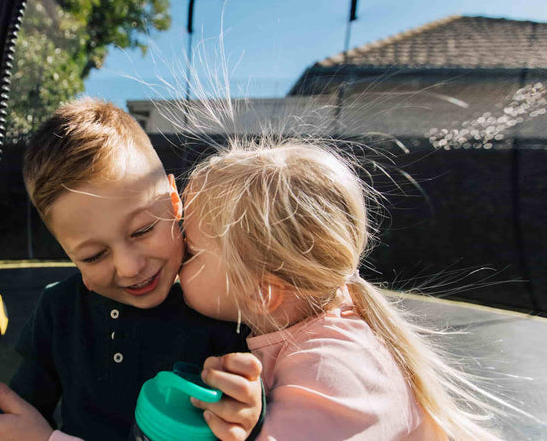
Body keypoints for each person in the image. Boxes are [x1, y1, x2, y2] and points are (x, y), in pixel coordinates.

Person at [0, 98, 262, 441]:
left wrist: (252, 415)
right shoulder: (58, 309)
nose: (129, 268)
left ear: (174, 200)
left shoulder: (221, 299)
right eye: (94, 255)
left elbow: (267, 403)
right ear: (68, 253)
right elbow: (22, 415)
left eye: (142, 230)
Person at [177, 141, 510, 440]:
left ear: (262, 294)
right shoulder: (318, 335)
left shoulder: (332, 370)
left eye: (191, 250)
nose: (176, 256)